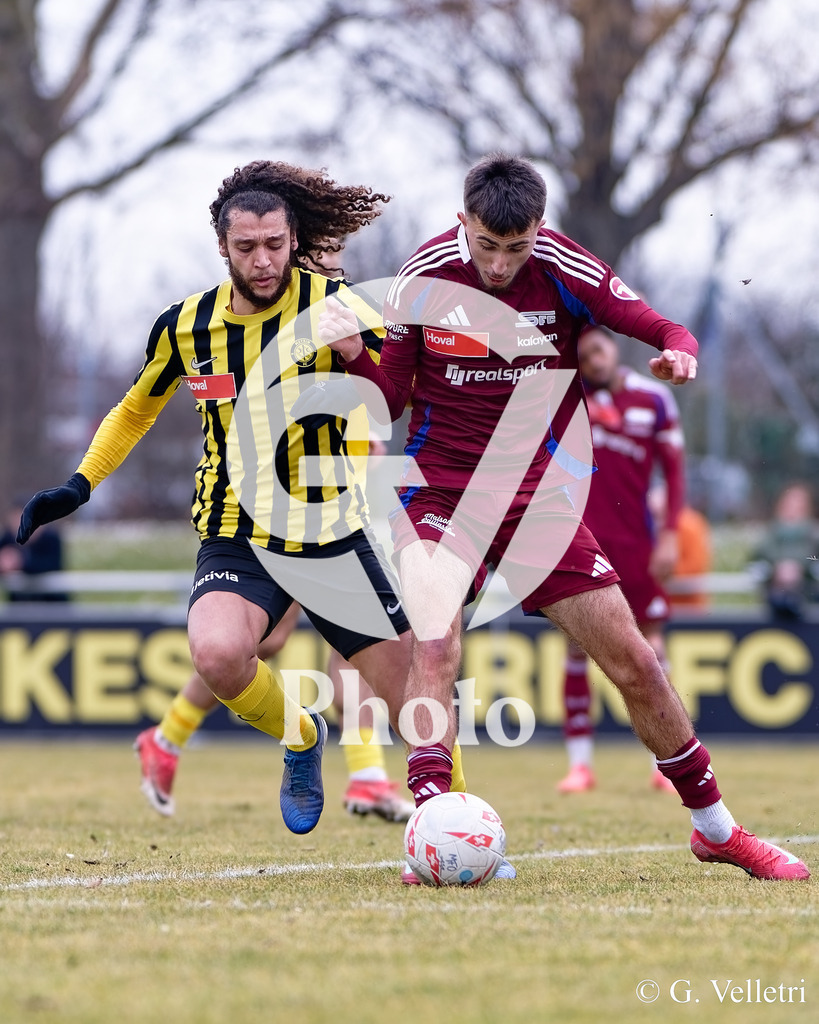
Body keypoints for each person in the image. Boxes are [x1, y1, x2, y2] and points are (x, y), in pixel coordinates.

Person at [321, 152, 809, 881]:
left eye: (514, 249)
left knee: (636, 663)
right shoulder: (422, 277)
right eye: (486, 245)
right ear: (463, 223)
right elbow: (388, 401)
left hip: (534, 502)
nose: (498, 264)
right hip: (437, 491)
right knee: (434, 647)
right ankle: (430, 829)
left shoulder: (563, 266)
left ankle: (714, 828)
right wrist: (355, 356)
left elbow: (658, 325)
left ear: (537, 232)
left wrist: (679, 354)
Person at [16, 160, 419, 838]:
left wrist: (355, 355)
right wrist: (78, 485)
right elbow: (132, 410)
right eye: (246, 248)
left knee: (416, 702)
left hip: (329, 532)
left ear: (294, 242)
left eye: (274, 245)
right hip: (237, 532)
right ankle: (303, 738)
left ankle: (452, 815)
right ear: (223, 246)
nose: (262, 262)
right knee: (222, 653)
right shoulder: (188, 326)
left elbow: (398, 397)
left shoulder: (338, 307)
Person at [135, 598, 415, 822]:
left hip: (337, 533)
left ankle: (367, 775)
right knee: (257, 644)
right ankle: (167, 737)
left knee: (355, 646)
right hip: (292, 535)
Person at [555, 325, 683, 795]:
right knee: (575, 646)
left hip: (638, 546)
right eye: (583, 356)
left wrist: (670, 533)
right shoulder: (568, 399)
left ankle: (664, 762)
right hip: (581, 541)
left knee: (651, 648)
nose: (593, 361)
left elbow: (674, 471)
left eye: (597, 350)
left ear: (613, 347)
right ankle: (579, 765)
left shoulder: (653, 400)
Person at [749, 482, 819, 620]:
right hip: (773, 603)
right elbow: (757, 562)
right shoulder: (769, 535)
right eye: (789, 504)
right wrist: (777, 569)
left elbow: (814, 559)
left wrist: (800, 568)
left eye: (798, 505)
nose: (793, 510)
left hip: (809, 602)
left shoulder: (813, 536)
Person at [0, 500, 67, 602]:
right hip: (19, 604)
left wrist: (20, 561)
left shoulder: (51, 538)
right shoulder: (7, 539)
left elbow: (52, 565)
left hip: (51, 602)